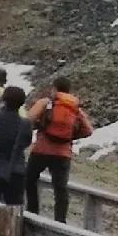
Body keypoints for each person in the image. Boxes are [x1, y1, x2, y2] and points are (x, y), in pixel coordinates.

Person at [25, 75, 93, 221]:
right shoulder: (75, 109)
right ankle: (60, 222)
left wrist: (39, 125)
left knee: (29, 179)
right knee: (60, 189)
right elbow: (88, 130)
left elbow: (28, 118)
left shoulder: (47, 102)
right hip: (63, 154)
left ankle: (32, 213)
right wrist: (69, 137)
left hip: (41, 150)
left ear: (54, 88)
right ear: (69, 91)